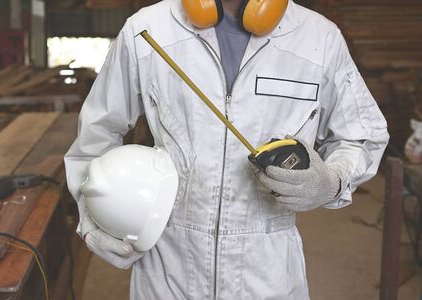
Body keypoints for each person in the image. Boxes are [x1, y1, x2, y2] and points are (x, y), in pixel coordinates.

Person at [64, 0, 389, 298]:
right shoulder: (148, 29)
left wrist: (330, 182)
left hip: (269, 278)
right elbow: (96, 135)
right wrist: (95, 218)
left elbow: (362, 136)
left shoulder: (318, 40)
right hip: (167, 275)